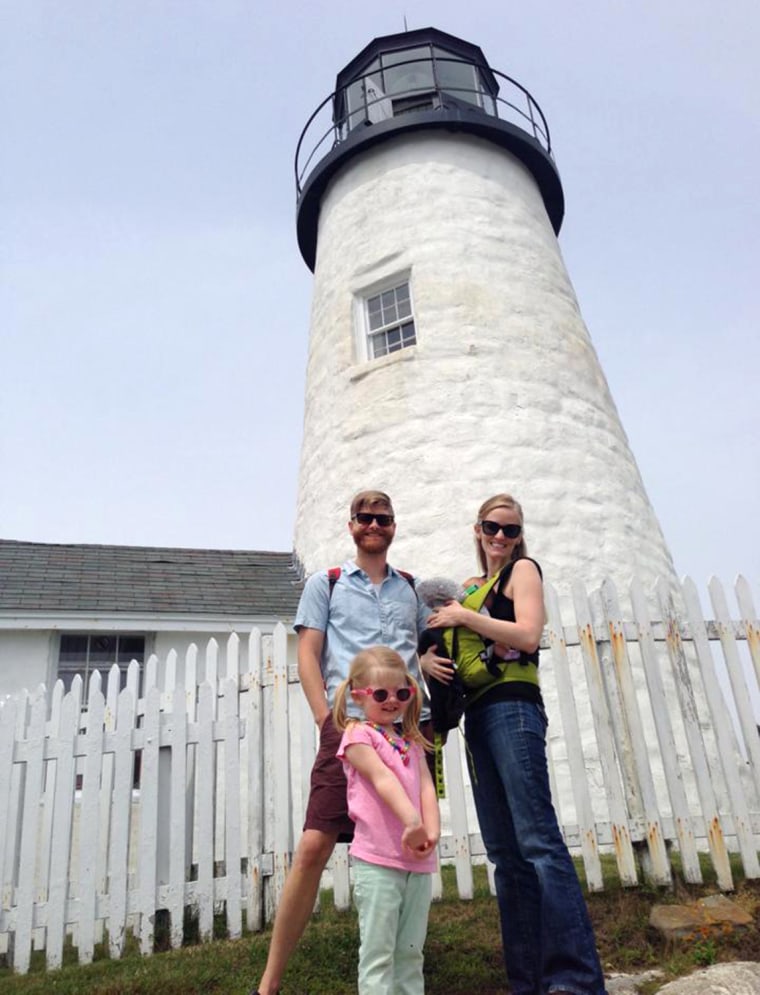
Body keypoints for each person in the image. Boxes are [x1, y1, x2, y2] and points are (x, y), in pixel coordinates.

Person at [424, 493, 607, 995]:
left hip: (513, 708)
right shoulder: (471, 588)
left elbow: (528, 634)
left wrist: (465, 617)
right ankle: (527, 981)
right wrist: (424, 661)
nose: (500, 537)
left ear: (520, 534)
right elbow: (445, 646)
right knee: (505, 853)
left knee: (538, 843)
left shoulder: (522, 571)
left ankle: (574, 980)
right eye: (491, 527)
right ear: (477, 529)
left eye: (510, 529)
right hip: (478, 716)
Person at [250, 490, 431, 995]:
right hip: (349, 728)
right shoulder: (325, 584)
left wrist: (431, 668)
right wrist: (323, 717)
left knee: (408, 847)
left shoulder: (410, 589)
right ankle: (269, 983)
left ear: (394, 526)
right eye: (365, 517)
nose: (375, 525)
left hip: (407, 731)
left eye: (384, 518)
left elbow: (422, 648)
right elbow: (309, 654)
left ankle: (399, 971)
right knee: (313, 845)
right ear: (352, 525)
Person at [333, 646, 439, 995]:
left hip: (417, 862)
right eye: (381, 693)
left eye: (401, 692)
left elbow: (426, 785)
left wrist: (432, 833)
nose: (392, 700)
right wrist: (411, 821)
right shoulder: (358, 736)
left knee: (410, 954)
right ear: (358, 695)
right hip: (378, 861)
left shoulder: (410, 740)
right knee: (378, 955)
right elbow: (382, 779)